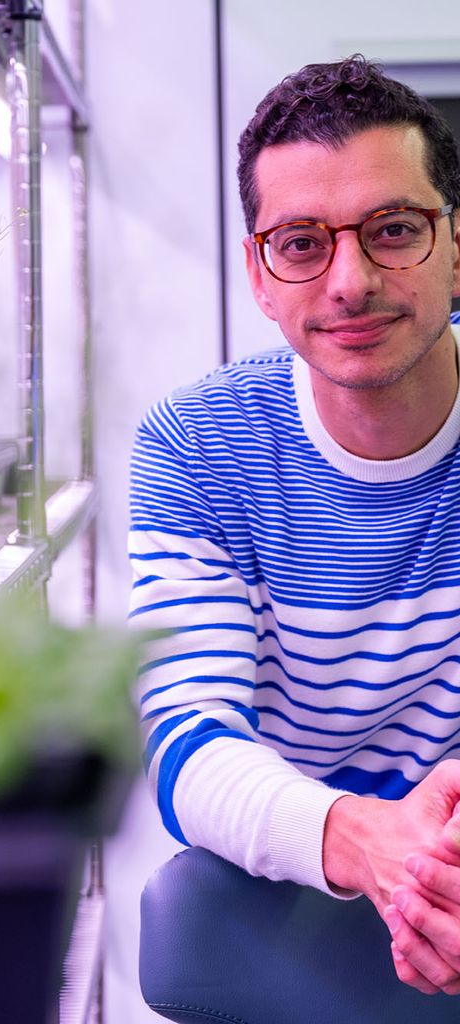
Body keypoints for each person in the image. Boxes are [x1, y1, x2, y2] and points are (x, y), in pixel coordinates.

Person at [128, 54, 460, 998]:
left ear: (457, 243)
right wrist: (374, 847)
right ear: (260, 274)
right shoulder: (200, 448)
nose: (351, 281)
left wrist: (434, 866)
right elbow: (190, 744)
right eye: (303, 242)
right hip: (297, 887)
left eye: (394, 230)